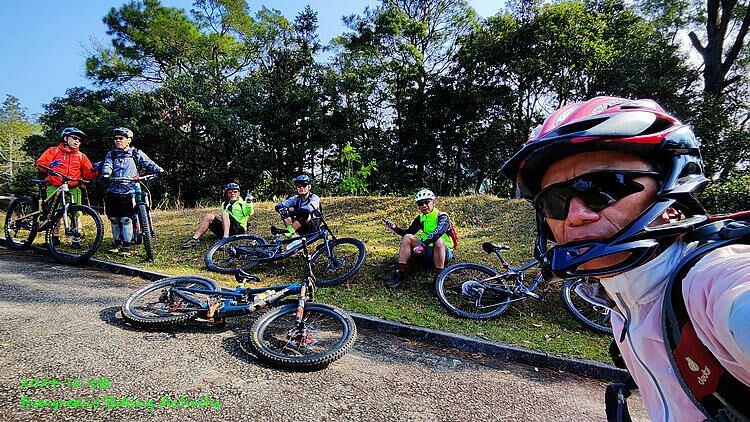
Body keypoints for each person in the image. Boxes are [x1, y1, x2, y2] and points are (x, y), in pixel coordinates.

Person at [500, 96, 750, 421]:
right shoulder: (618, 303)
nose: (575, 215)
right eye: (555, 202)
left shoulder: (712, 278)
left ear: (671, 193)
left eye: (603, 188)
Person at [100, 127, 165, 255]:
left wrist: (160, 171)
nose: (118, 140)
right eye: (116, 138)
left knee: (126, 219)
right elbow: (107, 164)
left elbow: (149, 163)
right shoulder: (111, 154)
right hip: (113, 190)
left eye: (121, 138)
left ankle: (126, 246)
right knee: (114, 219)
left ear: (128, 140)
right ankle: (117, 243)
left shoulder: (136, 153)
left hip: (129, 191)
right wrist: (106, 173)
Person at [35, 127, 100, 246]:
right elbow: (40, 164)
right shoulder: (54, 151)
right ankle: (54, 238)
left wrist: (95, 169)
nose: (77, 141)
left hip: (73, 187)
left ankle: (76, 238)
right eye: (74, 138)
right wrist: (50, 165)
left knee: (75, 213)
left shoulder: (81, 156)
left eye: (79, 140)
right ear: (65, 138)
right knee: (54, 213)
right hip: (55, 185)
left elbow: (88, 174)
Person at [383, 189, 455, 288]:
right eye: (421, 203)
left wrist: (423, 245)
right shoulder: (421, 218)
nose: (424, 205)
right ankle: (401, 272)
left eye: (427, 202)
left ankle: (439, 277)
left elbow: (438, 232)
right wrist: (395, 227)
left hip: (443, 252)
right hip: (427, 249)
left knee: (438, 240)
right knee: (407, 237)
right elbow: (408, 233)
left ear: (433, 202)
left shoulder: (442, 216)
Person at [181, 183, 254, 249]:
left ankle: (225, 240)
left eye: (235, 192)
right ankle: (194, 239)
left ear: (239, 193)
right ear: (227, 194)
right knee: (209, 216)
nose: (233, 194)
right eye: (230, 192)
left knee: (224, 214)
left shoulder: (243, 203)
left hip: (239, 229)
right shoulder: (224, 204)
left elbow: (249, 212)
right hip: (227, 229)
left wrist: (248, 202)